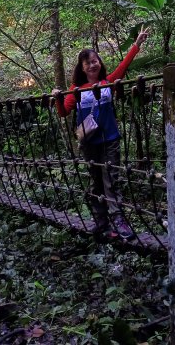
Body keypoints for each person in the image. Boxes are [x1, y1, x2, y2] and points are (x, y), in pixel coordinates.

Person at [52, 27, 149, 240]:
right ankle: (101, 221)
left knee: (111, 181)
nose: (92, 64)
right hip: (89, 142)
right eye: (87, 63)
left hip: (110, 140)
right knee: (96, 182)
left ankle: (119, 221)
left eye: (94, 60)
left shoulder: (108, 83)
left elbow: (123, 67)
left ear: (99, 63)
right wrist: (58, 97)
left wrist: (137, 44)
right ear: (82, 68)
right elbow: (63, 112)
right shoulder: (75, 89)